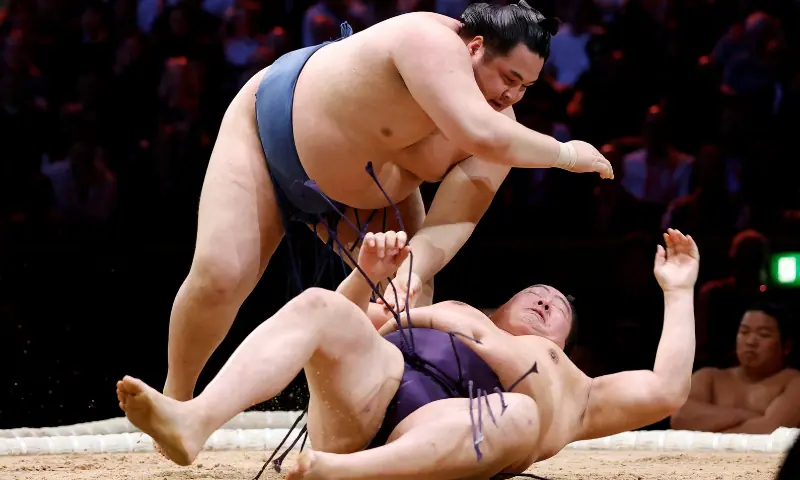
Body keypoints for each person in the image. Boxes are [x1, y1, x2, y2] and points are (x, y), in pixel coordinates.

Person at [164, 0, 614, 403]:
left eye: (525, 87)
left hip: (368, 201)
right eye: (509, 79)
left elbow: (453, 219)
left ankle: (375, 427)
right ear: (476, 47)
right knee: (221, 277)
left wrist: (411, 271)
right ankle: (176, 401)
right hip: (268, 134)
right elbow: (481, 132)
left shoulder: (503, 128)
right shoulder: (427, 40)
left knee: (405, 309)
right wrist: (567, 154)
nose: (511, 96)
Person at [118, 228, 695, 479]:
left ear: (565, 345)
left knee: (519, 413)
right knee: (320, 302)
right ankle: (195, 419)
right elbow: (341, 331)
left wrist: (678, 291)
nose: (546, 300)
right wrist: (366, 276)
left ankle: (339, 475)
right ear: (500, 306)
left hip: (451, 432)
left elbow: (668, 388)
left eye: (558, 308)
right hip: (369, 394)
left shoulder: (578, 391)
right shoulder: (453, 312)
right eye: (536, 293)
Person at [670, 301, 800, 434]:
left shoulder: (794, 382)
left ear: (787, 346)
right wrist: (746, 415)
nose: (750, 341)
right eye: (744, 332)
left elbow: (771, 431)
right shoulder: (708, 378)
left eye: (764, 334)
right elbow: (679, 418)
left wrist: (710, 427)